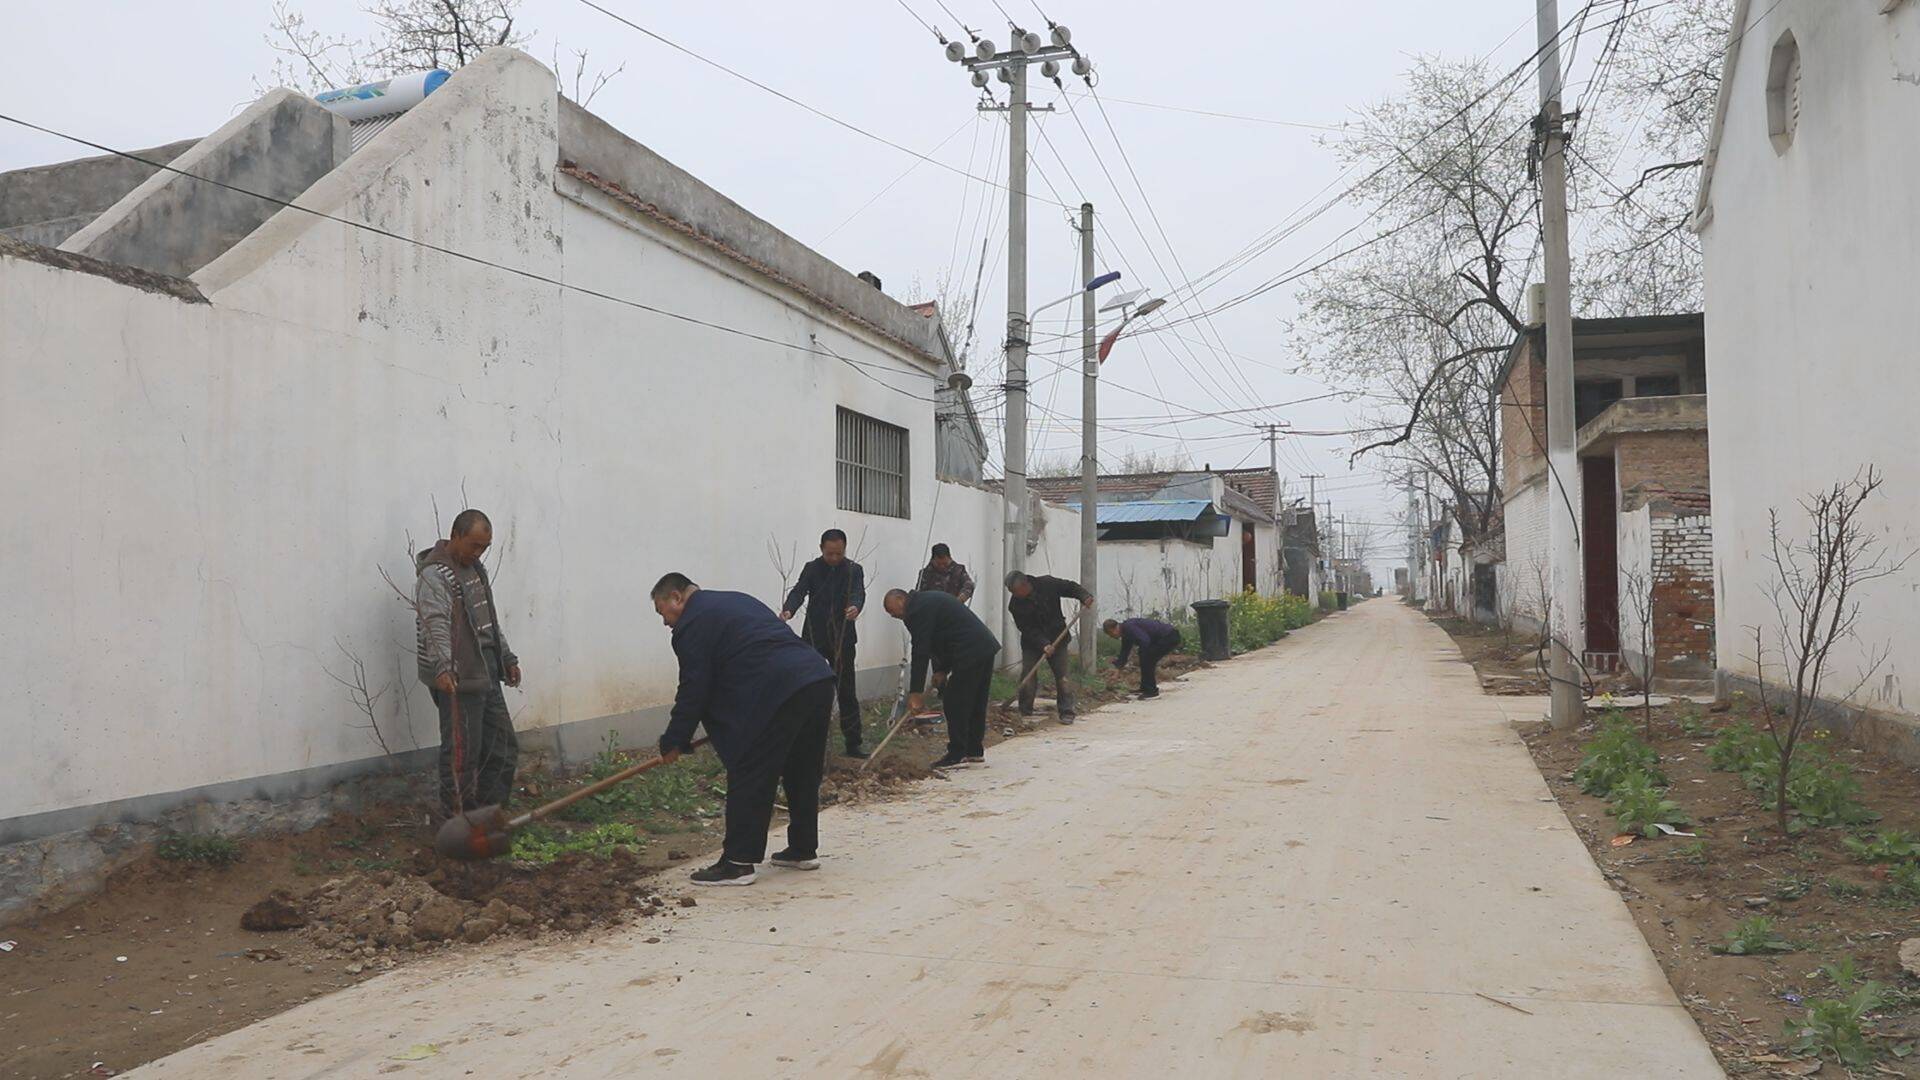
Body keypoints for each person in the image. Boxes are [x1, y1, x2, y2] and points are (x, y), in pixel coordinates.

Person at [653, 573, 837, 886]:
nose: (666, 623)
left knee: (749, 768)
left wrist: (675, 739)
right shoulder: (734, 599)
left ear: (676, 598)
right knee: (802, 768)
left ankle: (738, 862)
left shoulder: (692, 624)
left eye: (663, 613)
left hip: (779, 689)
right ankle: (803, 849)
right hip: (816, 678)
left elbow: (695, 687)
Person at [415, 509, 522, 818]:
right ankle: (456, 825)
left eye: (484, 547)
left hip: (486, 669)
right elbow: (434, 625)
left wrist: (506, 657)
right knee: (461, 757)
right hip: (458, 676)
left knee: (502, 748)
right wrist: (443, 668)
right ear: (456, 536)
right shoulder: (435, 575)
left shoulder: (475, 570)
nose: (478, 553)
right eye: (474, 545)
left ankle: (487, 818)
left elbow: (487, 619)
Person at [883, 588, 999, 771]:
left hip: (970, 651)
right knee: (976, 701)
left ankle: (957, 754)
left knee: (955, 701)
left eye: (891, 610)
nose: (892, 615)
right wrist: (942, 670)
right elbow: (942, 638)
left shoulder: (917, 611)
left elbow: (921, 651)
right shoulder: (924, 602)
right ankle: (974, 751)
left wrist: (915, 693)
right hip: (983, 646)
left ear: (900, 599)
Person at [781, 529, 868, 757]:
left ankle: (853, 742)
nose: (834, 558)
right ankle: (805, 742)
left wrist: (855, 607)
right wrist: (789, 609)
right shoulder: (812, 569)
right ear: (822, 549)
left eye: (839, 554)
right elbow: (799, 591)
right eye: (830, 554)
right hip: (814, 637)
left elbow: (859, 593)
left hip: (843, 637)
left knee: (846, 690)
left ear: (844, 549)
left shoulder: (853, 570)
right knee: (808, 688)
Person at [1004, 570, 1094, 724]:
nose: (1013, 594)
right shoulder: (1015, 605)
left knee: (1062, 676)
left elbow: (1070, 587)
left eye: (1014, 591)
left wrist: (1084, 596)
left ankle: (1066, 711)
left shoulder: (1047, 584)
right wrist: (1043, 643)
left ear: (1025, 585)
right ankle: (1025, 710)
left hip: (1058, 637)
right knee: (1028, 674)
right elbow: (1027, 628)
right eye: (1011, 591)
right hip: (1032, 643)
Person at [914, 543, 974, 688]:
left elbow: (969, 586)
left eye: (945, 562)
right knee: (938, 659)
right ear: (933, 560)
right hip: (936, 624)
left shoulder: (958, 570)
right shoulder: (926, 573)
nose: (943, 566)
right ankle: (941, 690)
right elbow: (919, 595)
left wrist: (959, 600)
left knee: (958, 656)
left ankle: (959, 689)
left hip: (955, 621)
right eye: (939, 563)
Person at [1105, 617, 1183, 698]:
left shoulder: (1129, 627)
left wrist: (1142, 655)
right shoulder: (1125, 633)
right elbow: (1124, 652)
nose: (1112, 636)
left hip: (1169, 636)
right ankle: (1145, 688)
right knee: (1145, 657)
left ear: (1115, 628)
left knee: (1147, 658)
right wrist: (1117, 671)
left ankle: (1151, 690)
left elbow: (1144, 640)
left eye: (1111, 633)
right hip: (1164, 638)